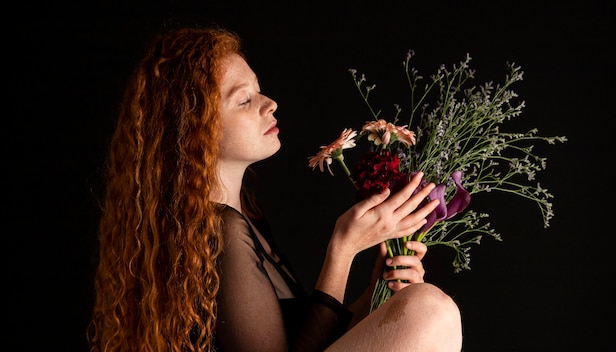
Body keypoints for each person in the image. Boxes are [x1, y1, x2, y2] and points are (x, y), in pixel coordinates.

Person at [88, 26, 463, 352]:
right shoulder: (220, 231)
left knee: (419, 307)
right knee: (428, 311)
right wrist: (343, 251)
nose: (270, 104)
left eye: (260, 91)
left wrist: (377, 290)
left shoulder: (245, 219)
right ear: (193, 132)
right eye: (244, 100)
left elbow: (311, 344)